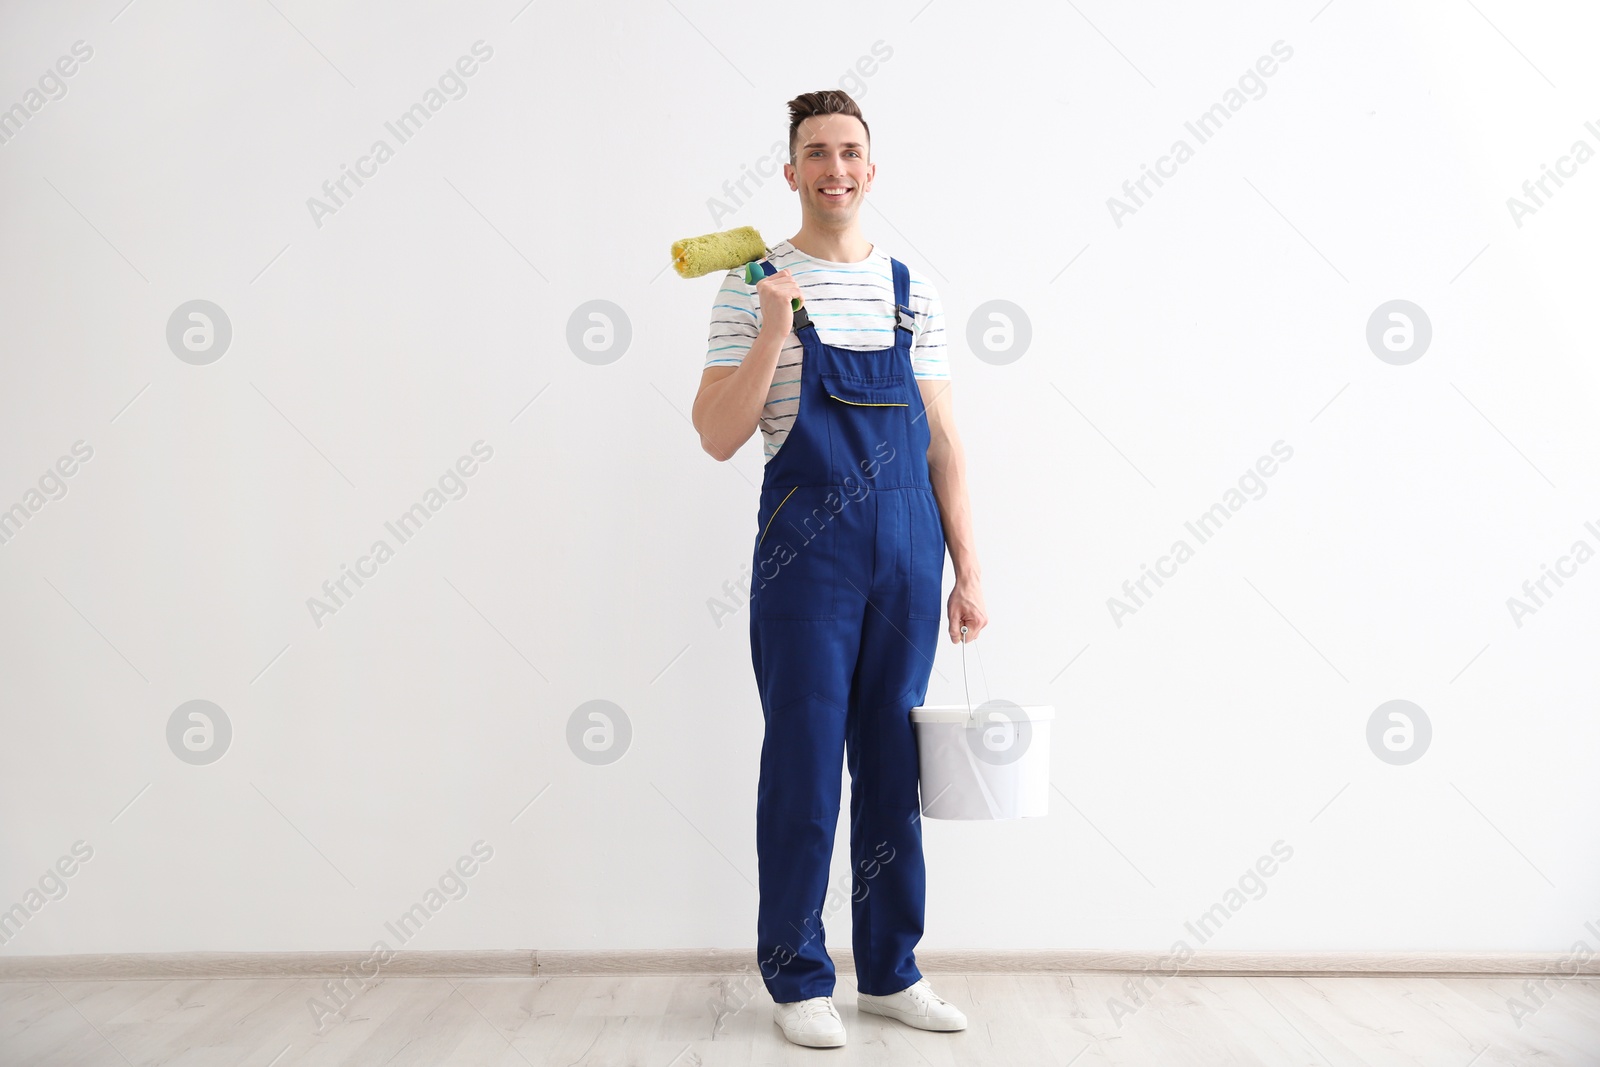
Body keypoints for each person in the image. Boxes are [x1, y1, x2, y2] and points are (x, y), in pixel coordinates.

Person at [691, 89, 988, 1050]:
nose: (835, 168)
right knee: (806, 767)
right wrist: (776, 324)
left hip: (909, 557)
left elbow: (942, 436)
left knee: (892, 770)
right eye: (815, 151)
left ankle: (892, 971)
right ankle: (798, 975)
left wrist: (969, 567)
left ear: (871, 166)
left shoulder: (913, 288)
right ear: (790, 171)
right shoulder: (750, 281)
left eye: (850, 151)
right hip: (805, 562)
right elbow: (715, 435)